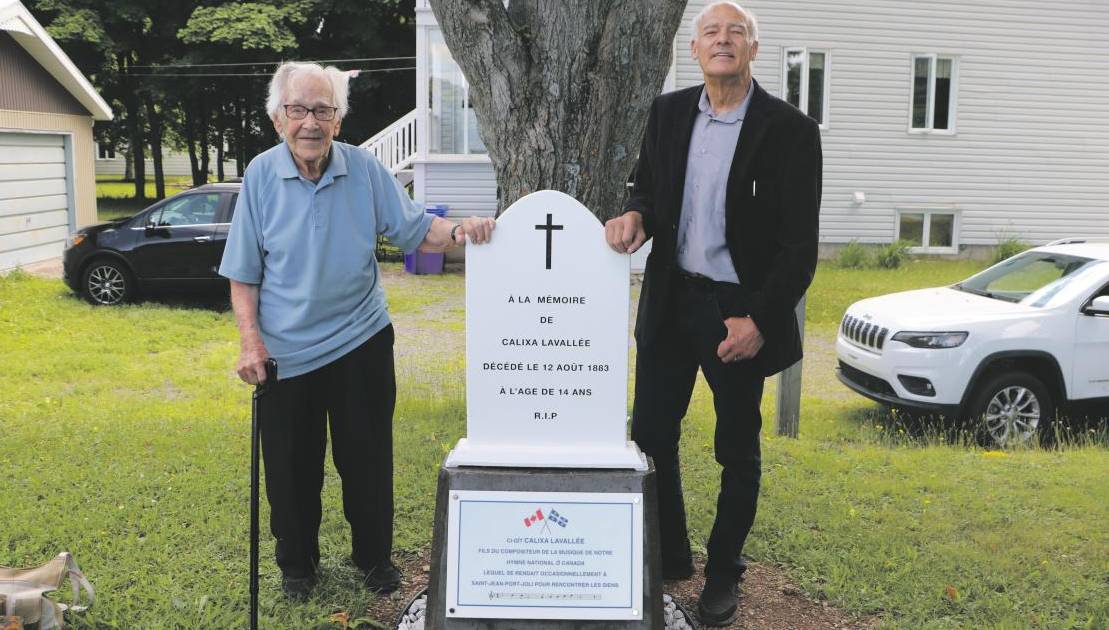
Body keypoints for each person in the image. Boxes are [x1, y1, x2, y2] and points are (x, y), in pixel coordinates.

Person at [219, 62, 494, 599]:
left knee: (367, 459)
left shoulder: (366, 170)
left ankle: (374, 560)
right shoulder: (259, 176)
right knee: (291, 470)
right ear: (279, 119)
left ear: (339, 121)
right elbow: (242, 274)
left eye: (323, 110)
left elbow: (418, 230)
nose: (310, 122)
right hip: (286, 354)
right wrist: (250, 343)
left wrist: (462, 228)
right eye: (298, 110)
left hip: (359, 341)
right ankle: (298, 567)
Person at [604, 2, 822, 625]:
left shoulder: (789, 131)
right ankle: (671, 556)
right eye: (710, 33)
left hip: (737, 314)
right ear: (694, 49)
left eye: (735, 33)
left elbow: (797, 248)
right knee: (649, 435)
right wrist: (635, 217)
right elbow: (645, 188)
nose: (722, 41)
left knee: (736, 449)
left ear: (754, 49)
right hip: (672, 300)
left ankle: (724, 573)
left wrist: (760, 319)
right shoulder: (669, 113)